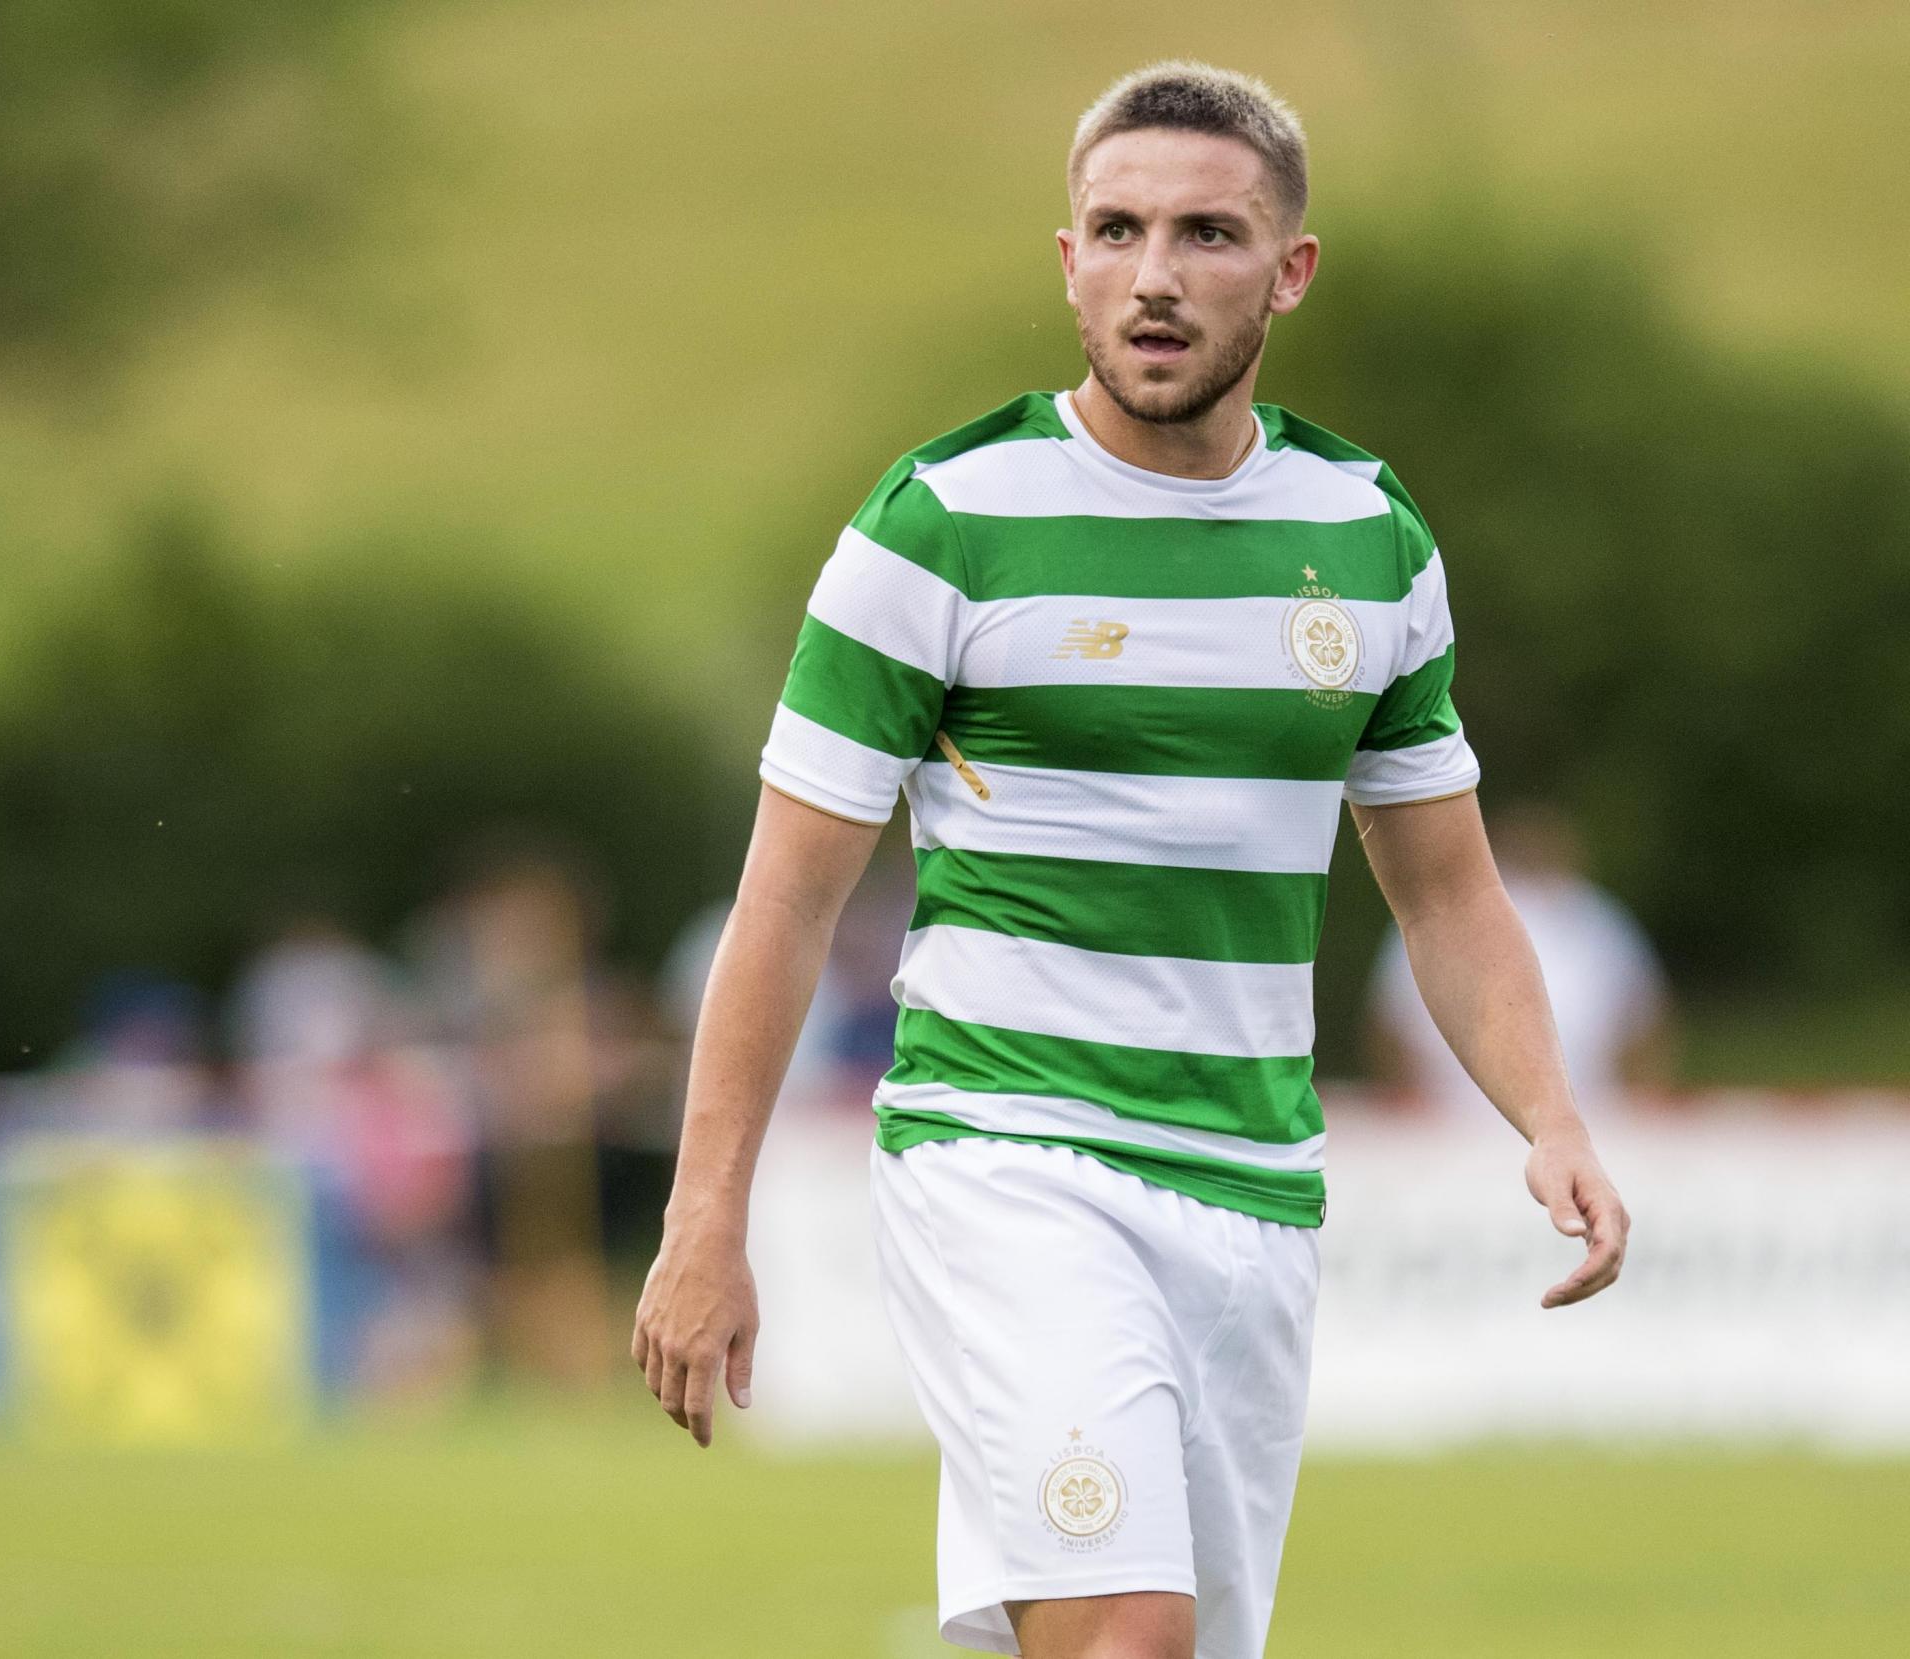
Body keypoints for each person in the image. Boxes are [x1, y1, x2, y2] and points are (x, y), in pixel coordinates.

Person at [630, 63, 1630, 1659]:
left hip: (1253, 1191)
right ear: (1069, 258)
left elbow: (1445, 889)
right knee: (1130, 1631)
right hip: (1006, 1152)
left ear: (1290, 271)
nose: (1155, 273)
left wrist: (1551, 1113)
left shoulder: (1369, 536)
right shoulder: (940, 524)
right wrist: (704, 1221)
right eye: (1117, 229)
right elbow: (785, 904)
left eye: (1206, 233)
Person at [1366, 801, 1673, 1119]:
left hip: (1586, 1111)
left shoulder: (1595, 917)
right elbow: (1391, 1025)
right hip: (1454, 1117)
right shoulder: (1444, 913)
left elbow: (1642, 1020)